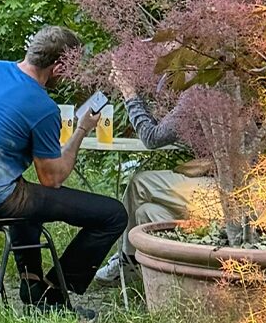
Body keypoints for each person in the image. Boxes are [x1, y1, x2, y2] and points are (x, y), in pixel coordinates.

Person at [0, 26, 126, 312]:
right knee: (113, 214)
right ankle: (54, 295)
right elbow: (52, 178)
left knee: (26, 194)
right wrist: (82, 129)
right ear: (58, 67)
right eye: (71, 69)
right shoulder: (42, 107)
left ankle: (32, 284)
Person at [93, 66, 219, 284]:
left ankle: (126, 259)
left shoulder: (200, 89)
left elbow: (152, 137)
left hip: (233, 193)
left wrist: (129, 93)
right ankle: (161, 278)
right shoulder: (209, 83)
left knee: (140, 183)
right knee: (146, 212)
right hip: (215, 187)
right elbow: (165, 126)